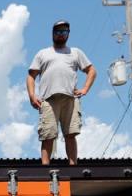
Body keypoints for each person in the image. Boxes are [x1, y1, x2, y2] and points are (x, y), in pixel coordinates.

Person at [26, 19, 97, 165]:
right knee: (48, 135)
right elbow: (31, 76)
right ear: (53, 33)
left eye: (64, 32)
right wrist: (32, 96)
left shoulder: (75, 52)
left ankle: (73, 166)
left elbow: (91, 70)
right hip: (48, 100)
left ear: (68, 34)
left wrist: (84, 89)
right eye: (58, 31)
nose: (61, 34)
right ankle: (45, 168)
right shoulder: (43, 53)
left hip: (70, 98)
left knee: (70, 134)